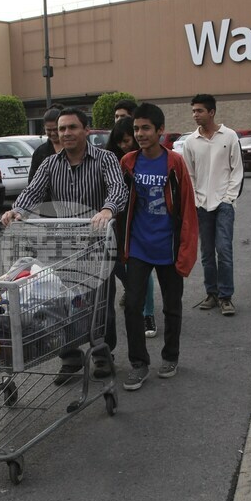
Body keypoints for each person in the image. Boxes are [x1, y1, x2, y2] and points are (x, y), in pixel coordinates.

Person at [2, 108, 128, 384]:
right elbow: (33, 191)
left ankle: (101, 354)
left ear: (86, 130)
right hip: (62, 246)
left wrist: (108, 209)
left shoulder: (105, 160)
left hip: (97, 245)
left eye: (72, 127)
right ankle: (69, 357)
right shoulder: (50, 164)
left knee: (99, 304)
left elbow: (118, 189)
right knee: (61, 302)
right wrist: (17, 211)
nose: (66, 133)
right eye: (62, 129)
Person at [118, 103, 198, 390]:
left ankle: (171, 356)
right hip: (138, 247)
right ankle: (139, 364)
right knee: (133, 307)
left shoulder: (174, 163)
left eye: (145, 128)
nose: (140, 134)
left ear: (160, 130)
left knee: (172, 307)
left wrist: (187, 251)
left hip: (169, 248)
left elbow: (188, 209)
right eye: (136, 128)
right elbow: (120, 203)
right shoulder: (128, 162)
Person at [180, 94, 243, 316]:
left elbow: (237, 170)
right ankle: (212, 294)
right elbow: (189, 174)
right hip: (201, 205)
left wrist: (229, 198)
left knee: (224, 250)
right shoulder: (190, 142)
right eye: (193, 111)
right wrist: (197, 200)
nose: (195, 115)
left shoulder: (230, 136)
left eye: (199, 111)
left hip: (224, 204)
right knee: (207, 252)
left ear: (212, 112)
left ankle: (226, 297)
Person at [104, 118, 158, 338]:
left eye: (127, 140)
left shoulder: (143, 160)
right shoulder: (110, 159)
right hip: (117, 221)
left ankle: (148, 313)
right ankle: (133, 292)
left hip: (140, 221)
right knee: (117, 265)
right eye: (119, 142)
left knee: (142, 268)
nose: (124, 145)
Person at [28, 104, 63, 184]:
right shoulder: (40, 152)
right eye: (49, 130)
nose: (53, 133)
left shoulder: (73, 148)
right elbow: (32, 182)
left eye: (55, 129)